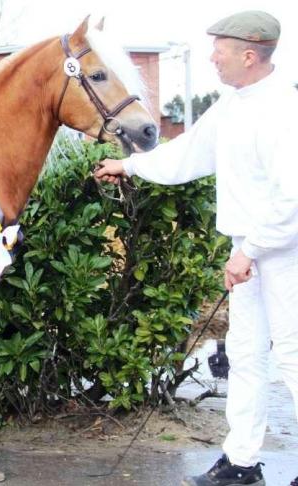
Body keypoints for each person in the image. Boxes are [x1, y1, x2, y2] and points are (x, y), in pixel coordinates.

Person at [94, 10, 298, 486]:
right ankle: (242, 463)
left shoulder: (283, 110)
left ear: (249, 55)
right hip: (248, 247)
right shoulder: (232, 104)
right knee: (247, 357)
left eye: (219, 50)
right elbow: (189, 151)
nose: (211, 58)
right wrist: (129, 167)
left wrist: (252, 251)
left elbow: (292, 198)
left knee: (292, 355)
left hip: (282, 250)